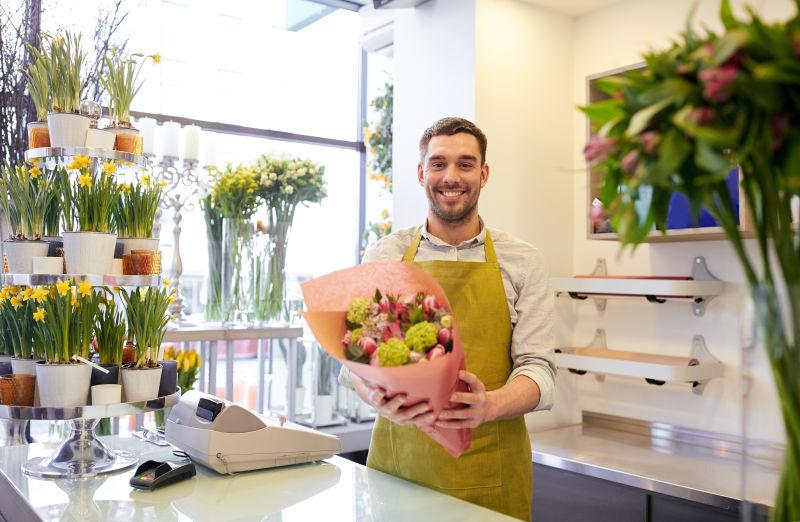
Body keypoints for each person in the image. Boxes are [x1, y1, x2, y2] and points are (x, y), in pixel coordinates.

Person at [340, 117, 555, 521]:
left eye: (465, 164)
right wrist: (376, 395)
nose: (450, 177)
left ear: (484, 174)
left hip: (493, 474)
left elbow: (539, 368)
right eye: (438, 164)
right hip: (399, 473)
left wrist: (489, 406)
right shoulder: (386, 256)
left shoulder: (523, 261)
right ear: (422, 173)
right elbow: (354, 364)